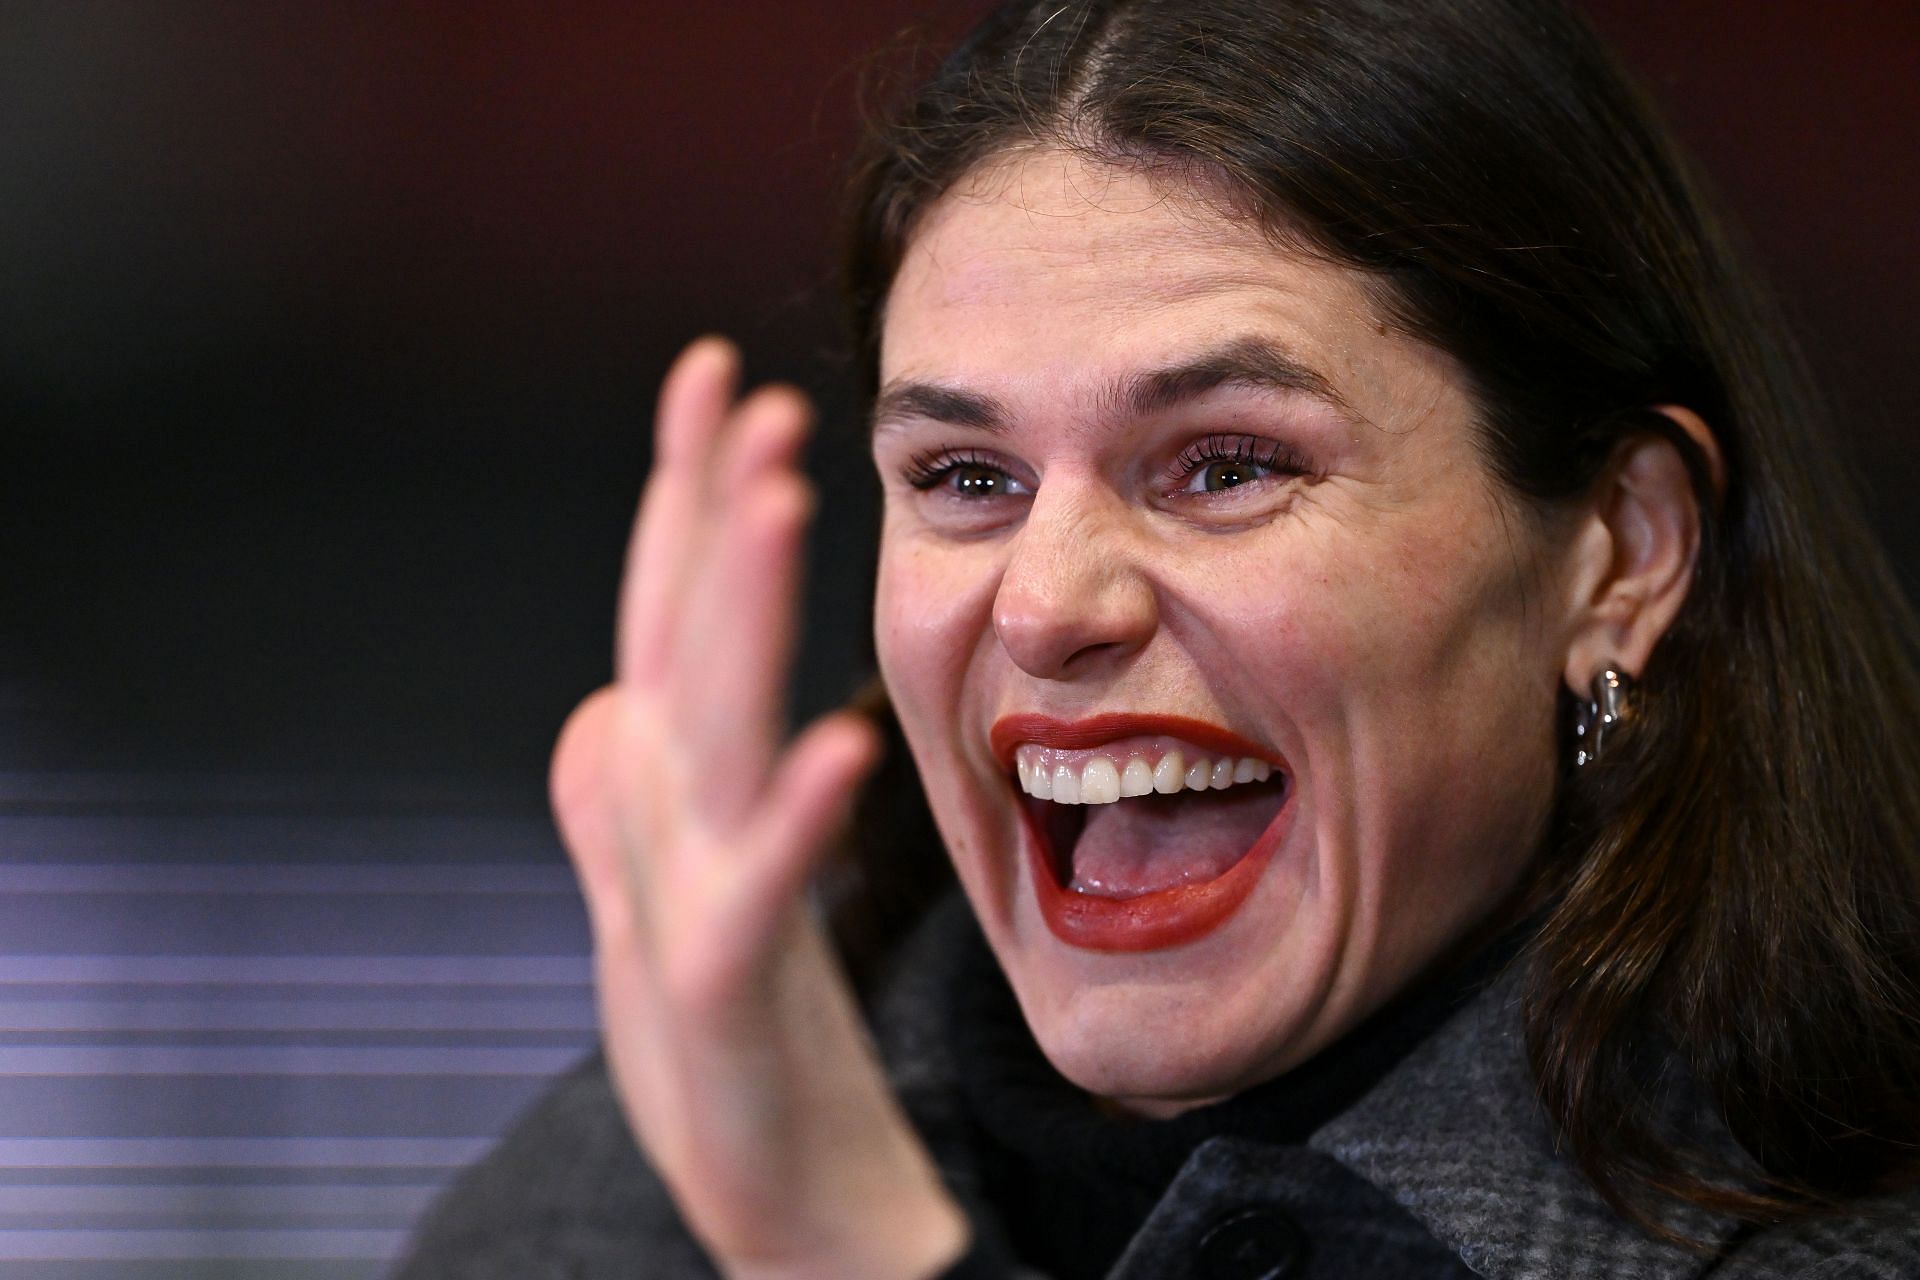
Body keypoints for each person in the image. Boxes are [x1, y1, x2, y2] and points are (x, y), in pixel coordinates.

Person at [394, 0, 1920, 1276]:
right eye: (966, 478)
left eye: (1227, 464)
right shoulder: (652, 1179)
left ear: (1618, 553)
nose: (1048, 606)